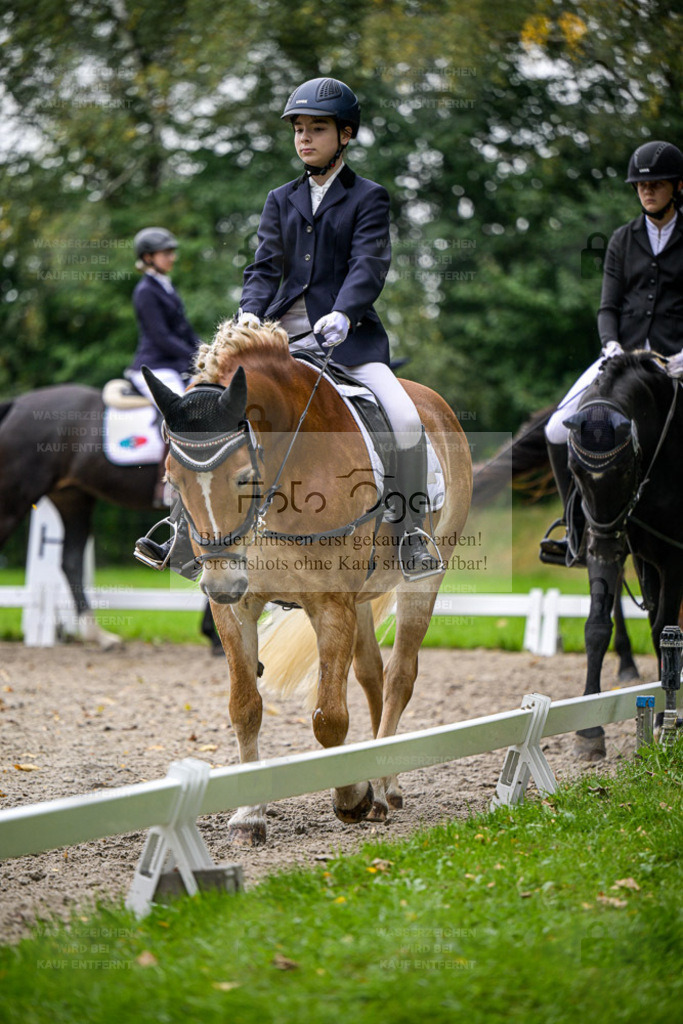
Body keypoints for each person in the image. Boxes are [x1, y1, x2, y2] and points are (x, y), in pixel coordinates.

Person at [236, 76, 442, 579]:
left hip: (347, 338)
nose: (304, 138)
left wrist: (345, 313)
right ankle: (184, 531)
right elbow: (265, 267)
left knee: (407, 419)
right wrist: (249, 310)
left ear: (345, 135)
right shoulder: (280, 198)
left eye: (317, 129)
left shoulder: (368, 197)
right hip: (283, 338)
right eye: (298, 130)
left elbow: (368, 264)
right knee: (215, 407)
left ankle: (410, 531)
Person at [540, 139, 683, 565]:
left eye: (656, 184)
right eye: (641, 185)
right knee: (554, 429)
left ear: (677, 187)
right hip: (623, 357)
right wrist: (611, 344)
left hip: (676, 359)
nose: (647, 191)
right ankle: (576, 530)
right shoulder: (623, 238)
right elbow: (608, 306)